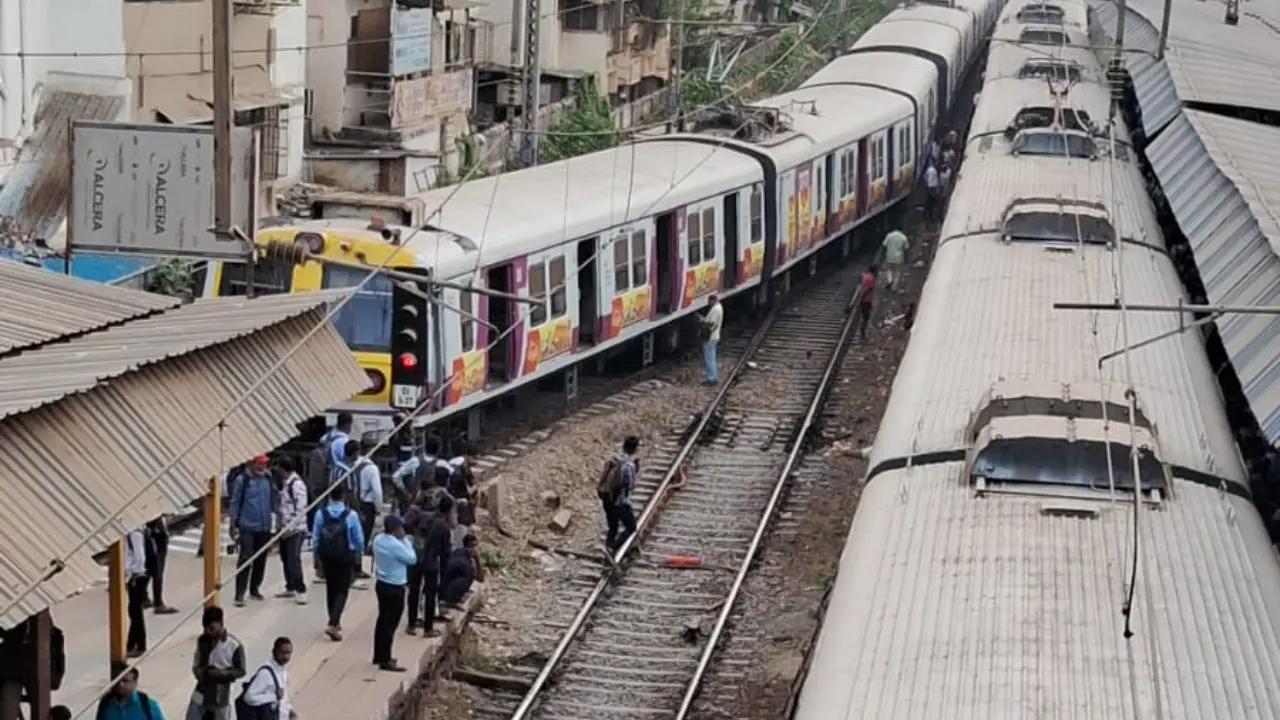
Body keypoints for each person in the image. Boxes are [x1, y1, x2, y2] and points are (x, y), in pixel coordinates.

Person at [311, 484, 365, 641]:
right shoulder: (351, 515)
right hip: (345, 556)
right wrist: (359, 553)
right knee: (343, 589)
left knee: (331, 587)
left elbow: (315, 538)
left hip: (326, 556)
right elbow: (358, 539)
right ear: (344, 496)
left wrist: (316, 560)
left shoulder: (321, 514)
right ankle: (333, 623)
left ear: (330, 496)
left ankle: (333, 618)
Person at [230, 455, 277, 607]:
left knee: (261, 558)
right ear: (251, 464)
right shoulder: (242, 480)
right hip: (247, 526)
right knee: (245, 559)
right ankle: (239, 593)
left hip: (264, 526)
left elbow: (273, 499)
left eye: (265, 464)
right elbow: (235, 501)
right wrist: (233, 522)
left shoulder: (267, 478)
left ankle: (255, 589)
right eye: (260, 464)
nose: (263, 467)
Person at [404, 491, 453, 636]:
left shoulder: (424, 516)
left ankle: (411, 625)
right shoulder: (444, 527)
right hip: (431, 563)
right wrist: (445, 572)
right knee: (430, 595)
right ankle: (428, 628)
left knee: (414, 591)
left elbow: (412, 528)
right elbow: (445, 552)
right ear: (449, 510)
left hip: (417, 558)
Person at [371, 515, 417, 671]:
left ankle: (378, 655)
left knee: (382, 620)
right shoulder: (396, 545)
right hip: (395, 586)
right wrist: (405, 541)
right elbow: (412, 559)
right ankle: (386, 659)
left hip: (381, 583)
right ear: (396, 529)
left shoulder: (378, 540)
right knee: (390, 624)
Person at [187, 606, 245, 720]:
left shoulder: (234, 645)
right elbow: (196, 663)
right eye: (206, 628)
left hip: (221, 694)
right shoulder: (202, 641)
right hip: (202, 690)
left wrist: (222, 673)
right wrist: (200, 672)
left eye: (212, 628)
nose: (209, 632)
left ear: (221, 623)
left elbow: (241, 670)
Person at [275, 456, 309, 604]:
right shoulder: (285, 483)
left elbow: (301, 508)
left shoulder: (297, 485)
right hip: (284, 528)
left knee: (293, 559)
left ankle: (301, 590)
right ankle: (290, 586)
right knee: (285, 557)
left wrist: (291, 527)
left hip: (296, 529)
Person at [598, 436, 640, 553]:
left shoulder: (614, 459)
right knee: (631, 527)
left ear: (623, 446)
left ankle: (608, 549)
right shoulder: (629, 465)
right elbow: (630, 485)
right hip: (619, 501)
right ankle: (614, 547)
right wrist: (635, 470)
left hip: (607, 497)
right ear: (635, 449)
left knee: (613, 526)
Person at [237, 637, 295, 720]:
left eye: (288, 653)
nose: (285, 656)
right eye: (282, 652)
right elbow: (249, 697)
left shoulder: (283, 671)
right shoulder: (265, 673)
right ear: (274, 652)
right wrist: (273, 696)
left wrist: (289, 710)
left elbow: (283, 696)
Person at [350, 439, 383, 575]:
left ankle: (352, 564)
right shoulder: (372, 468)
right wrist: (379, 508)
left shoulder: (351, 464)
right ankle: (357, 566)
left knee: (352, 534)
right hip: (367, 505)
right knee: (362, 536)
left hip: (352, 502)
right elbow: (377, 491)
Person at [96, 668, 165, 720]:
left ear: (135, 683)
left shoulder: (148, 706)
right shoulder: (106, 704)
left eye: (125, 681)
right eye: (118, 680)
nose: (120, 684)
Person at [440, 531, 486, 608]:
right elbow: (480, 579)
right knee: (468, 578)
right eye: (475, 546)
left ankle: (452, 598)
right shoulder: (465, 563)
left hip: (443, 588)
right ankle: (452, 601)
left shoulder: (457, 552)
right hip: (447, 593)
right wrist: (477, 559)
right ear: (472, 547)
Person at [143, 518, 176, 614]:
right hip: (156, 537)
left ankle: (143, 597)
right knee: (157, 569)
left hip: (151, 535)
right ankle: (158, 603)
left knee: (149, 568)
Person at [124, 527, 148, 658]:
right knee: (134, 611)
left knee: (135, 611)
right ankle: (131, 644)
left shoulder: (135, 533)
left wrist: (134, 574)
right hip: (135, 576)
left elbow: (140, 557)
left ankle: (139, 645)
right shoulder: (133, 533)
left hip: (136, 577)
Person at [699, 294, 724, 385]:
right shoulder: (719, 307)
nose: (709, 303)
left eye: (709, 301)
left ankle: (711, 379)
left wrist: (702, 320)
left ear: (713, 300)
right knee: (711, 357)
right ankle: (713, 377)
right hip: (714, 336)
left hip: (710, 337)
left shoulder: (715, 309)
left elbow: (711, 323)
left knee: (709, 359)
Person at [850, 265, 878, 339]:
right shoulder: (871, 278)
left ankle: (861, 329)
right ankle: (862, 330)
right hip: (867, 300)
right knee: (866, 316)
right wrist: (863, 296)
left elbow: (861, 283)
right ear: (874, 271)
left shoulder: (864, 275)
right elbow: (868, 289)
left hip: (863, 300)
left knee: (864, 315)